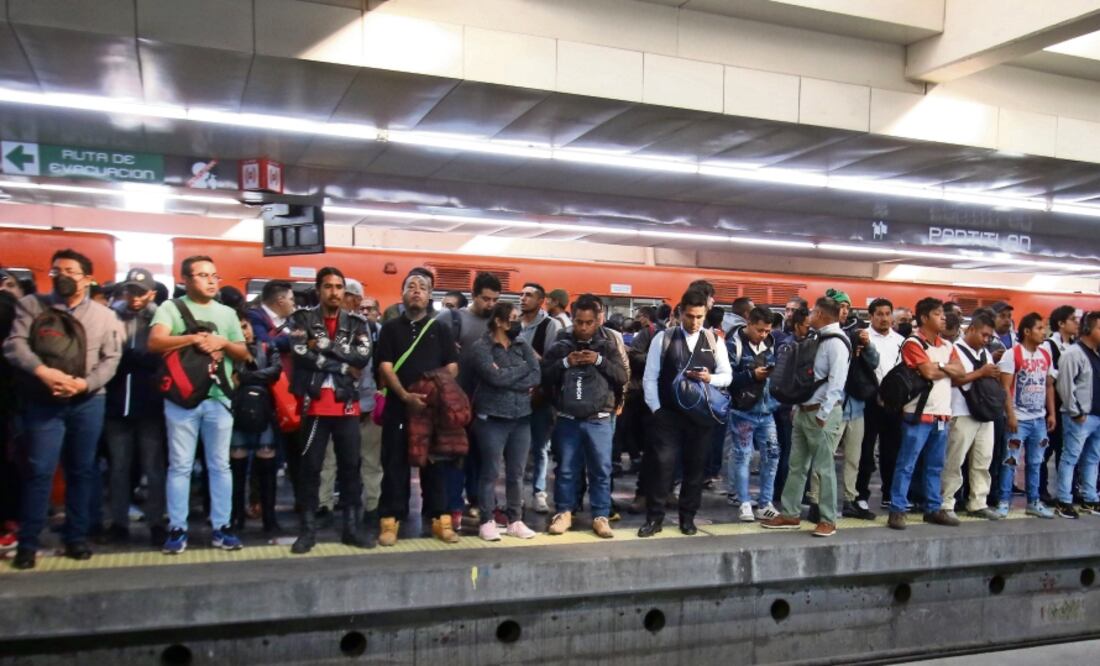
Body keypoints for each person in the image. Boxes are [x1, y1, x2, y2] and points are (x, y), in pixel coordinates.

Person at [4, 249, 123, 569]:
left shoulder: (104, 316)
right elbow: (15, 345)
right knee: (39, 470)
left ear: (86, 278)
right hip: (43, 400)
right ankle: (28, 543)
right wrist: (45, 373)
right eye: (57, 270)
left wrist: (84, 384)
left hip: (88, 401)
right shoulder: (32, 305)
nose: (63, 276)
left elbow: (111, 359)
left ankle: (76, 537)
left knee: (82, 471)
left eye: (71, 271)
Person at [148, 255, 249, 555]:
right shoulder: (170, 308)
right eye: (202, 275)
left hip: (219, 398)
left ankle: (222, 526)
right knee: (180, 465)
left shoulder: (228, 313)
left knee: (220, 465)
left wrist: (222, 343)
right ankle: (178, 528)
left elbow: (243, 352)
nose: (210, 281)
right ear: (186, 280)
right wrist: (194, 339)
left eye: (214, 276)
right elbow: (155, 343)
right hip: (182, 398)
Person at [286, 267, 374, 553]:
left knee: (351, 468)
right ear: (318, 289)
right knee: (310, 468)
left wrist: (323, 345)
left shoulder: (358, 322)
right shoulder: (301, 318)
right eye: (328, 286)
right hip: (313, 403)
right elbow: (300, 353)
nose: (334, 292)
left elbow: (362, 357)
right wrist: (342, 364)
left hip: (346, 403)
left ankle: (351, 529)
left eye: (339, 287)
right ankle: (308, 531)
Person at [637, 289, 733, 537]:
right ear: (680, 313)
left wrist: (710, 377)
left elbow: (727, 376)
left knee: (695, 469)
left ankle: (687, 518)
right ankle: (654, 518)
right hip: (667, 415)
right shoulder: (664, 338)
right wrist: (656, 410)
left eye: (700, 317)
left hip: (700, 416)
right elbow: (651, 377)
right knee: (662, 468)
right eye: (690, 316)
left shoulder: (714, 341)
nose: (695, 322)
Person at [375, 269, 459, 546]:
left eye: (422, 287)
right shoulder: (389, 328)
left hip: (431, 411)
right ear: (403, 294)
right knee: (395, 464)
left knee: (434, 465)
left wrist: (432, 391)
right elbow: (385, 366)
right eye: (411, 286)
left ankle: (439, 518)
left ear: (430, 295)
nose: (416, 290)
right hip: (398, 408)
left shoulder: (440, 329)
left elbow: (452, 366)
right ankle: (390, 520)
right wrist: (404, 395)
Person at [761, 297, 850, 537]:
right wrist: (798, 406)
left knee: (824, 468)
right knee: (797, 465)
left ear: (821, 313)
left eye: (812, 312)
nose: (809, 316)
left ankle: (828, 519)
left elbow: (836, 382)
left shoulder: (837, 344)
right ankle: (790, 513)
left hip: (822, 414)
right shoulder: (816, 338)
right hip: (804, 410)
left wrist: (824, 413)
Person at [542, 295, 628, 538]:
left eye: (588, 322)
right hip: (568, 416)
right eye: (579, 321)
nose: (583, 327)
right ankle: (564, 513)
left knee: (601, 470)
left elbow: (622, 376)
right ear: (573, 318)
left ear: (598, 320)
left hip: (599, 418)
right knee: (566, 469)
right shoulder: (561, 344)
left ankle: (600, 516)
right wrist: (565, 363)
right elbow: (544, 375)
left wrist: (598, 360)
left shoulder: (607, 343)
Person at [887, 297, 966, 530]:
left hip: (942, 414)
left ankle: (933, 508)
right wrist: (942, 368)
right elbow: (928, 372)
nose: (944, 318)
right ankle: (897, 509)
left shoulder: (947, 345)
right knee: (906, 463)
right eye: (938, 314)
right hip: (917, 414)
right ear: (924, 318)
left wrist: (938, 366)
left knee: (935, 465)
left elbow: (959, 372)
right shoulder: (913, 343)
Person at [103, 268, 167, 547]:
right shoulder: (111, 315)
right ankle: (118, 522)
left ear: (151, 293)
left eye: (140, 292)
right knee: (118, 467)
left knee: (154, 468)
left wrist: (139, 361)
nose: (135, 296)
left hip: (150, 404)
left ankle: (156, 521)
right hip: (116, 404)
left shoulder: (161, 318)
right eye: (130, 290)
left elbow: (164, 356)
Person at [469, 302, 542, 541]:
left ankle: (515, 520)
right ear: (499, 322)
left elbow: (536, 374)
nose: (517, 323)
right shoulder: (482, 347)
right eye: (512, 319)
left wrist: (508, 375)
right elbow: (494, 377)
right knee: (489, 472)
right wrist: (520, 371)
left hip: (521, 418)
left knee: (516, 473)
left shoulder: (522, 344)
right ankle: (487, 520)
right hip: (492, 419)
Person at [436, 271, 501, 526]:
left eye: (495, 299)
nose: (491, 304)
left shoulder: (498, 324)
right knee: (455, 456)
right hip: (454, 403)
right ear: (474, 296)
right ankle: (453, 506)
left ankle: (477, 502)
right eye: (486, 299)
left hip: (486, 403)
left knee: (482, 457)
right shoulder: (451, 319)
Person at [817, 289, 879, 522]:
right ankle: (817, 501)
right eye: (839, 307)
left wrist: (868, 346)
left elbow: (873, 363)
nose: (844, 311)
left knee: (854, 457)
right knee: (824, 457)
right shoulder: (826, 335)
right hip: (832, 405)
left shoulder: (859, 331)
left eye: (846, 307)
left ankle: (850, 499)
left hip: (856, 407)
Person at [942, 310, 1003, 520]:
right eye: (983, 335)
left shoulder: (985, 353)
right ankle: (946, 502)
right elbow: (952, 380)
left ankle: (978, 502)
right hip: (960, 411)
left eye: (989, 337)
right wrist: (981, 373)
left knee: (982, 460)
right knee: (954, 460)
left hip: (983, 414)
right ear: (971, 330)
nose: (986, 340)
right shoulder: (953, 350)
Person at [996, 312, 1057, 519]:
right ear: (1027, 331)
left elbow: (1049, 386)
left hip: (1038, 419)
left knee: (1036, 462)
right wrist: (1010, 415)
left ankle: (1034, 501)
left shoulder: (1045, 355)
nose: (1043, 333)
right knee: (1010, 461)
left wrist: (1051, 413)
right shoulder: (1012, 354)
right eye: (1039, 328)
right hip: (1018, 420)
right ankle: (1004, 501)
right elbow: (1004, 387)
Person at [229, 311, 283, 536]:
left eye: (247, 326)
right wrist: (260, 376)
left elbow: (276, 371)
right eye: (240, 327)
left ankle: (269, 518)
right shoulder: (231, 350)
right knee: (236, 472)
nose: (245, 331)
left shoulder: (267, 347)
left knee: (267, 470)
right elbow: (268, 373)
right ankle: (236, 516)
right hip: (239, 415)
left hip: (263, 414)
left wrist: (246, 378)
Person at [725, 307, 780, 522]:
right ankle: (744, 501)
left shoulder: (770, 344)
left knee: (772, 456)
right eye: (760, 330)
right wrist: (751, 375)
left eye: (767, 331)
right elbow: (727, 378)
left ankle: (765, 502)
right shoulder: (734, 345)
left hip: (767, 410)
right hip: (743, 411)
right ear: (749, 323)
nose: (763, 335)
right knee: (742, 455)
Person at [516, 282, 562, 514]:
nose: (523, 298)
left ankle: (539, 492)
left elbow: (551, 362)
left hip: (541, 395)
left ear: (540, 301)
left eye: (529, 295)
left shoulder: (550, 326)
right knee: (516, 447)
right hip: (515, 395)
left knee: (540, 446)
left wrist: (525, 350)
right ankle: (517, 496)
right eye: (522, 294)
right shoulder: (513, 323)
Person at [857, 297, 904, 512]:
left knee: (891, 450)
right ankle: (861, 494)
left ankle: (888, 493)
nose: (884, 318)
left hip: (894, 403)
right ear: (871, 316)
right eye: (879, 314)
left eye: (887, 314)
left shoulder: (901, 340)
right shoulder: (863, 338)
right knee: (866, 449)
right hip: (869, 401)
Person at [1054, 311, 1100, 518]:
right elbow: (1064, 385)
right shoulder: (1073, 353)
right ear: (1088, 329)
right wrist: (1075, 411)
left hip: (1097, 415)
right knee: (1070, 457)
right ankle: (1064, 499)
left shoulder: (1096, 353)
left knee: (1093, 458)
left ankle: (1090, 498)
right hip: (1080, 416)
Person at [772, 304, 811, 504]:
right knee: (790, 451)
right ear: (796, 326)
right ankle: (786, 492)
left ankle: (785, 491)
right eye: (806, 326)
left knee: (790, 451)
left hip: (788, 404)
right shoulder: (791, 346)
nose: (809, 329)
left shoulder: (789, 344)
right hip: (790, 406)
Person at [1041, 305, 1078, 503]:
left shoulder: (1076, 346)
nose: (1077, 323)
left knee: (1066, 450)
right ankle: (1041, 489)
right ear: (1061, 323)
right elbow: (1049, 379)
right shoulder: (1049, 346)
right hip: (1051, 404)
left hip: (1070, 407)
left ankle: (1069, 490)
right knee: (1045, 449)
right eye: (1073, 319)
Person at [246, 280, 295, 347]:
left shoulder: (291, 320)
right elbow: (263, 341)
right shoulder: (255, 316)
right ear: (280, 301)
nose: (293, 303)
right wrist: (294, 339)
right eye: (291, 299)